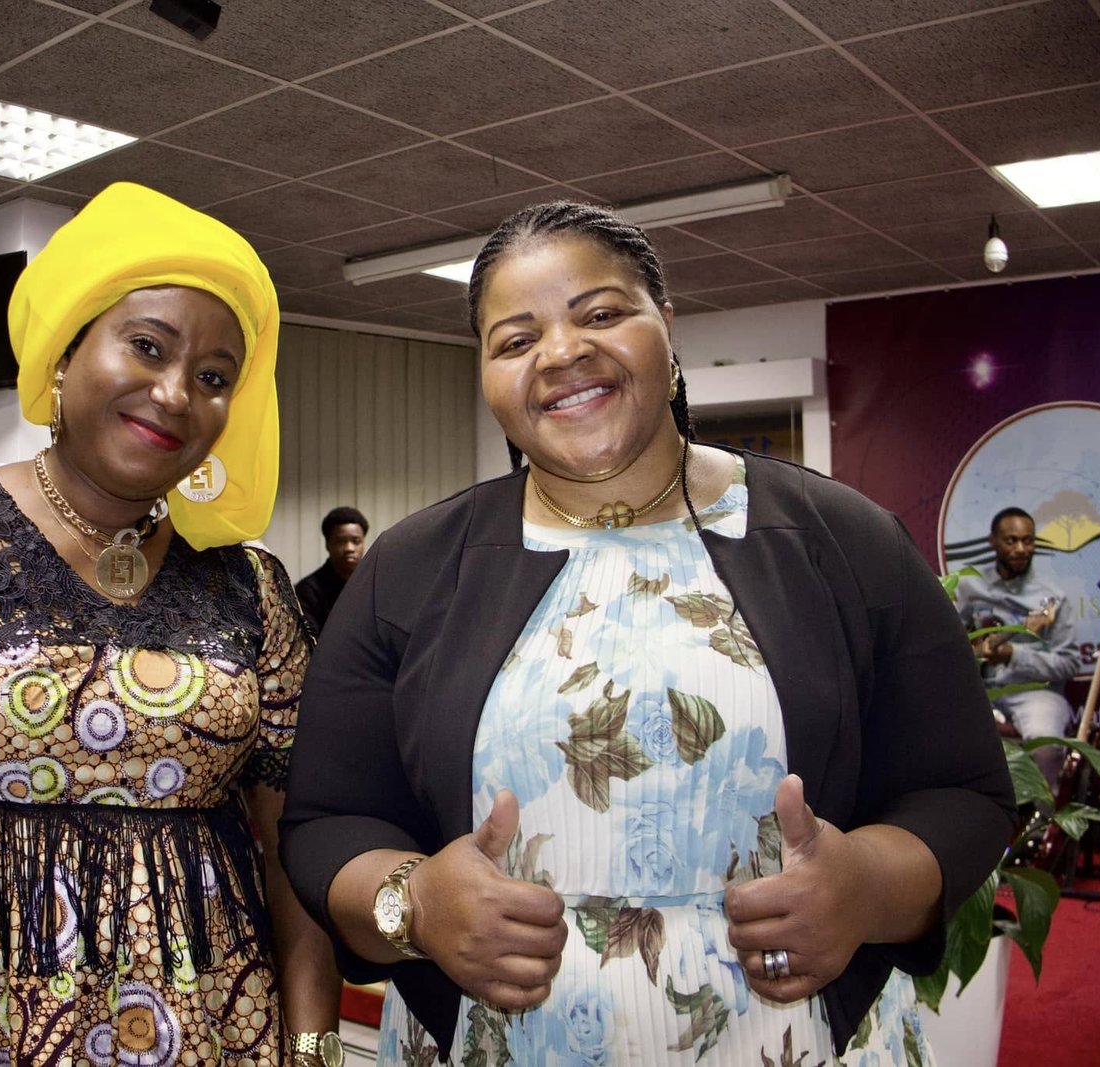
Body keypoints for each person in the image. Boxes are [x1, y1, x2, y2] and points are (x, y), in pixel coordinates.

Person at [279, 201, 1014, 1066]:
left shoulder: (842, 540)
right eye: (515, 341)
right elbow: (328, 819)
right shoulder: (410, 570)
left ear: (667, 328)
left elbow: (962, 792)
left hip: (798, 1038)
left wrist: (864, 889)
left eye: (599, 314)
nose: (559, 353)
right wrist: (416, 902)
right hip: (498, 1042)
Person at [0, 182, 342, 1066]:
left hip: (215, 1031)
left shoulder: (253, 586)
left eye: (213, 377)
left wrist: (311, 1045)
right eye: (147, 346)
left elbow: (294, 844)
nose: (174, 393)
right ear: (66, 350)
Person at [955, 507, 1079, 786]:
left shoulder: (1052, 598)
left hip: (1036, 693)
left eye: (1029, 540)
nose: (1021, 549)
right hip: (981, 691)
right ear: (993, 542)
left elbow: (1069, 663)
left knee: (1046, 748)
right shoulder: (969, 586)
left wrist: (1014, 654)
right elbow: (951, 642)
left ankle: (1043, 825)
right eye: (1011, 541)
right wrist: (975, 652)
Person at [294, 506, 369, 635]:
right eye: (341, 541)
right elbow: (310, 644)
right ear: (328, 544)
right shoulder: (308, 591)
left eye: (356, 541)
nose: (349, 548)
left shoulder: (375, 585)